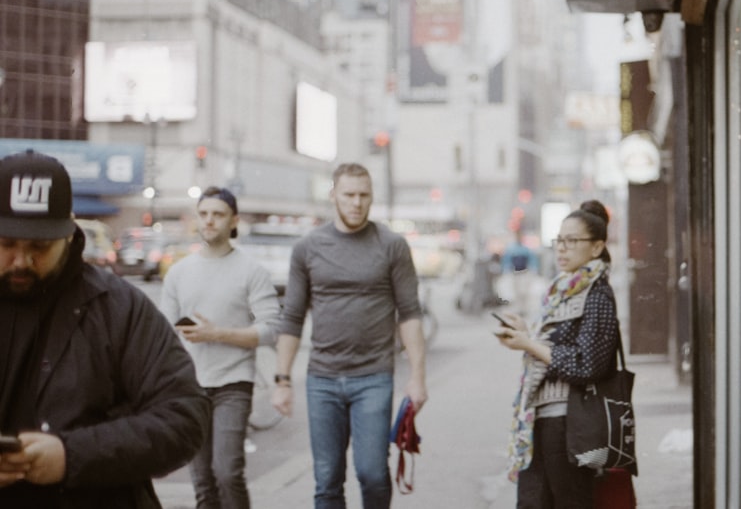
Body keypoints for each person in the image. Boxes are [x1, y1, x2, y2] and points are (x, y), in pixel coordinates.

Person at [0, 149, 210, 507]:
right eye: (6, 244)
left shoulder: (119, 307)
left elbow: (185, 416)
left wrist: (71, 456)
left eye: (39, 246)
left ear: (69, 230)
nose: (22, 260)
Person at [271, 162, 427, 509]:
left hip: (373, 377)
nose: (356, 203)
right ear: (333, 196)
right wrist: (282, 379)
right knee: (327, 479)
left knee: (372, 472)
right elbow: (292, 317)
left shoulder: (392, 245)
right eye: (349, 195)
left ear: (372, 197)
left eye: (364, 195)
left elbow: (410, 313)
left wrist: (417, 378)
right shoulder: (307, 248)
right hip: (322, 379)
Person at [160, 186, 281, 509]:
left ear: (233, 221)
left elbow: (272, 329)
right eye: (204, 214)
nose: (209, 221)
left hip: (233, 383)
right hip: (190, 387)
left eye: (218, 214)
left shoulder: (251, 271)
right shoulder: (179, 272)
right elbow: (164, 334)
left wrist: (218, 334)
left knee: (227, 472)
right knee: (203, 483)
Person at [495, 200, 621, 509]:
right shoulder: (561, 289)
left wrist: (529, 344)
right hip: (543, 418)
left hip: (571, 424)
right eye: (559, 241)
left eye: (572, 241)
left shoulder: (597, 295)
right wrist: (527, 333)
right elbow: (558, 345)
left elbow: (588, 364)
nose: (562, 249)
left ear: (596, 247)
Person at [501, 231, 541, 317]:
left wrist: (533, 269)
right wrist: (506, 270)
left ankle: (524, 309)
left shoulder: (526, 249)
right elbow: (506, 261)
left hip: (524, 273)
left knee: (524, 292)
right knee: (516, 293)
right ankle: (518, 309)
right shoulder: (511, 249)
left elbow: (532, 260)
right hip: (515, 274)